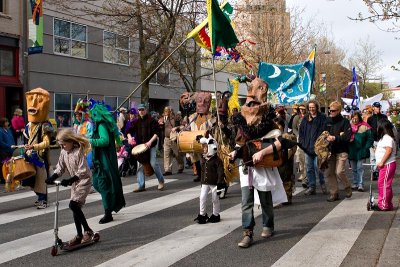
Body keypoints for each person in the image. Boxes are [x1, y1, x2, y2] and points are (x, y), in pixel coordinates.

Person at [229, 77, 290, 248]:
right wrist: (234, 152)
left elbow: (280, 142)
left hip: (263, 167)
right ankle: (247, 233)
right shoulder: (242, 123)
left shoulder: (271, 121)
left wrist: (263, 152)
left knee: (265, 199)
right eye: (248, 104)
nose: (250, 107)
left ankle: (268, 224)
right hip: (247, 168)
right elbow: (240, 143)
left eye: (253, 104)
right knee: (246, 202)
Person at [45, 128, 95, 245]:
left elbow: (83, 171)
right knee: (75, 208)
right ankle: (79, 235)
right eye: (60, 145)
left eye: (64, 145)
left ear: (71, 141)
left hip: (84, 181)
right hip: (75, 182)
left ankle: (87, 230)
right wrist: (52, 178)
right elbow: (60, 167)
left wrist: (70, 180)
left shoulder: (79, 152)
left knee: (73, 205)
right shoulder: (63, 152)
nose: (62, 148)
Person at [88, 99, 125, 223]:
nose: (91, 117)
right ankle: (109, 206)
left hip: (104, 159)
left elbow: (104, 141)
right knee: (101, 183)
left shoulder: (102, 125)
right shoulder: (103, 124)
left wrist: (90, 141)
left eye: (92, 114)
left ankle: (108, 212)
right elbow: (115, 138)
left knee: (102, 183)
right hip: (105, 157)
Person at [23, 88, 54, 209]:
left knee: (41, 179)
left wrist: (34, 146)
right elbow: (28, 136)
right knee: (31, 178)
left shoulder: (45, 125)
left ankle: (43, 200)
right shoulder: (30, 124)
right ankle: (39, 197)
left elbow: (46, 143)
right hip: (30, 154)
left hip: (41, 156)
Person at [127, 103, 165, 192]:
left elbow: (157, 133)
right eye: (139, 110)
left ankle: (161, 181)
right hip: (141, 146)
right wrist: (129, 137)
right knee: (140, 165)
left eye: (142, 109)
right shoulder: (136, 121)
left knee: (153, 163)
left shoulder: (152, 120)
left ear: (146, 110)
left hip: (151, 145)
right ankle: (141, 185)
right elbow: (129, 130)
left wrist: (150, 142)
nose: (141, 111)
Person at [324, 101, 352, 202]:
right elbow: (323, 133)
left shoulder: (345, 122)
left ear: (339, 111)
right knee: (330, 173)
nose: (331, 112)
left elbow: (347, 137)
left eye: (333, 110)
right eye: (330, 110)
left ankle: (347, 187)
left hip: (342, 150)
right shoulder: (327, 121)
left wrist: (335, 138)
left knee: (339, 171)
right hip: (330, 151)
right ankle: (334, 193)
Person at [193, 135, 224, 224]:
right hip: (205, 183)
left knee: (215, 199)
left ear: (211, 148)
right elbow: (203, 172)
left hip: (214, 183)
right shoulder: (204, 158)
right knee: (202, 197)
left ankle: (216, 215)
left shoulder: (217, 160)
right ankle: (202, 215)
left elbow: (221, 173)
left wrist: (220, 184)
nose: (204, 149)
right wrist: (202, 182)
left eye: (205, 147)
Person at [298, 100, 327, 195]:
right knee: (309, 168)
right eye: (310, 107)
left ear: (316, 107)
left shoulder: (322, 117)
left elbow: (325, 131)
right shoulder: (305, 118)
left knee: (318, 168)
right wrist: (302, 144)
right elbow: (301, 132)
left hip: (318, 148)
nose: (311, 109)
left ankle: (323, 184)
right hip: (307, 148)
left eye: (313, 107)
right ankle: (312, 187)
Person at [373, 119, 397, 211]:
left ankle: (383, 205)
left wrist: (382, 161)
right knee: (385, 184)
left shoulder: (387, 138)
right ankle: (387, 204)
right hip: (386, 164)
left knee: (383, 184)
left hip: (387, 164)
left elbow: (389, 151)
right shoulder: (385, 138)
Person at [348, 112, 374, 192]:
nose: (354, 120)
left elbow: (370, 138)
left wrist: (366, 147)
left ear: (359, 118)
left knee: (360, 168)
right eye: (353, 118)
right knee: (354, 169)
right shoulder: (348, 126)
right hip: (352, 150)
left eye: (356, 118)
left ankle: (360, 184)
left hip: (361, 151)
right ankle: (355, 183)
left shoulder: (365, 126)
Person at [159, 106, 184, 176]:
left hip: (174, 138)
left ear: (171, 112)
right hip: (166, 138)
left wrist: (176, 127)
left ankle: (181, 165)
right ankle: (168, 170)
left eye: (167, 111)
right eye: (165, 111)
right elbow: (161, 128)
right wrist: (160, 125)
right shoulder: (163, 118)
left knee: (177, 154)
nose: (165, 113)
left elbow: (183, 126)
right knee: (166, 155)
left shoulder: (176, 118)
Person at [367, 101, 388, 176]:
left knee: (382, 156)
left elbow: (387, 128)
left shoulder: (384, 117)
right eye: (376, 106)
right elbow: (368, 130)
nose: (378, 108)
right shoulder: (370, 119)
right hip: (373, 140)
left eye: (379, 106)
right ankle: (374, 172)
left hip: (382, 140)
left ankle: (382, 171)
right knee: (373, 157)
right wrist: (370, 141)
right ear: (373, 108)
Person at [292, 103, 307, 184]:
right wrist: (297, 135)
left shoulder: (308, 117)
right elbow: (294, 128)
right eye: (300, 109)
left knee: (307, 159)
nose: (302, 110)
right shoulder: (296, 117)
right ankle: (303, 174)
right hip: (300, 140)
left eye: (303, 109)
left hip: (308, 139)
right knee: (301, 158)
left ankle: (306, 176)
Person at [0, 117, 15, 182]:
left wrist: (14, 146)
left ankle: (9, 178)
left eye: (7, 121)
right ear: (3, 123)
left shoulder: (9, 130)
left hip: (11, 150)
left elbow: (12, 139)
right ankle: (3, 178)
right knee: (4, 165)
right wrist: (9, 146)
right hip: (4, 151)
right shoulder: (0, 130)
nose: (8, 123)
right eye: (6, 122)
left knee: (10, 165)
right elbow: (0, 141)